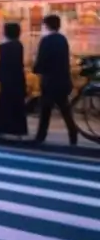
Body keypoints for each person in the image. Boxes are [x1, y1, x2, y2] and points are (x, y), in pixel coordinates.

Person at [33, 14, 78, 146]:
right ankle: (73, 134)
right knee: (65, 110)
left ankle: (40, 136)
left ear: (46, 26)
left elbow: (41, 60)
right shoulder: (63, 39)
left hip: (49, 81)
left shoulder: (46, 41)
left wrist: (36, 69)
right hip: (62, 80)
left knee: (45, 111)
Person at [0, 22, 28, 138]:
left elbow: (1, 64)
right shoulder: (19, 45)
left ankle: (2, 128)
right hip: (18, 79)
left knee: (4, 105)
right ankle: (18, 130)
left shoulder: (4, 47)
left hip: (7, 80)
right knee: (18, 105)